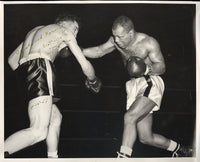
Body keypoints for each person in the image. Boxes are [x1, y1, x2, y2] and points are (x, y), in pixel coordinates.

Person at [81, 15, 193, 157]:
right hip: (133, 85)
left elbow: (162, 67)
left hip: (150, 81)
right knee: (146, 137)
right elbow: (99, 51)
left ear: (131, 33)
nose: (116, 40)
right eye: (114, 36)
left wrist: (145, 69)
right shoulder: (115, 41)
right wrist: (78, 51)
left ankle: (123, 157)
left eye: (120, 36)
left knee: (130, 117)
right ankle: (181, 150)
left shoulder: (148, 43)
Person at [5, 13, 101, 158]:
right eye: (75, 29)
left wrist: (29, 73)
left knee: (55, 118)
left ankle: (53, 157)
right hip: (40, 68)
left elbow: (12, 60)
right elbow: (84, 64)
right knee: (39, 131)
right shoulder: (64, 31)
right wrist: (93, 80)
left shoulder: (35, 30)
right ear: (65, 23)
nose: (75, 33)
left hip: (24, 74)